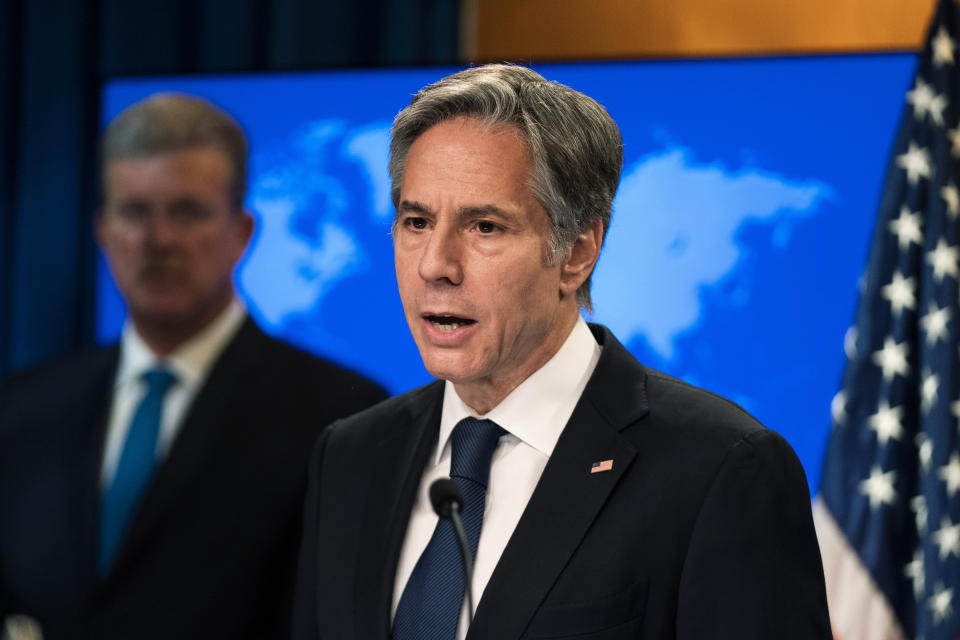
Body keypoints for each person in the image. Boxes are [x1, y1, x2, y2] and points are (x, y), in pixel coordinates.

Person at [292, 64, 832, 639]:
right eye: (417, 221)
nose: (435, 265)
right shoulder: (351, 456)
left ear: (576, 253)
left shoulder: (720, 470)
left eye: (485, 227)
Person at [0, 94, 387, 640]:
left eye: (187, 212)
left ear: (242, 232)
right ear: (102, 230)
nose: (158, 240)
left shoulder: (344, 416)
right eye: (134, 212)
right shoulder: (21, 409)